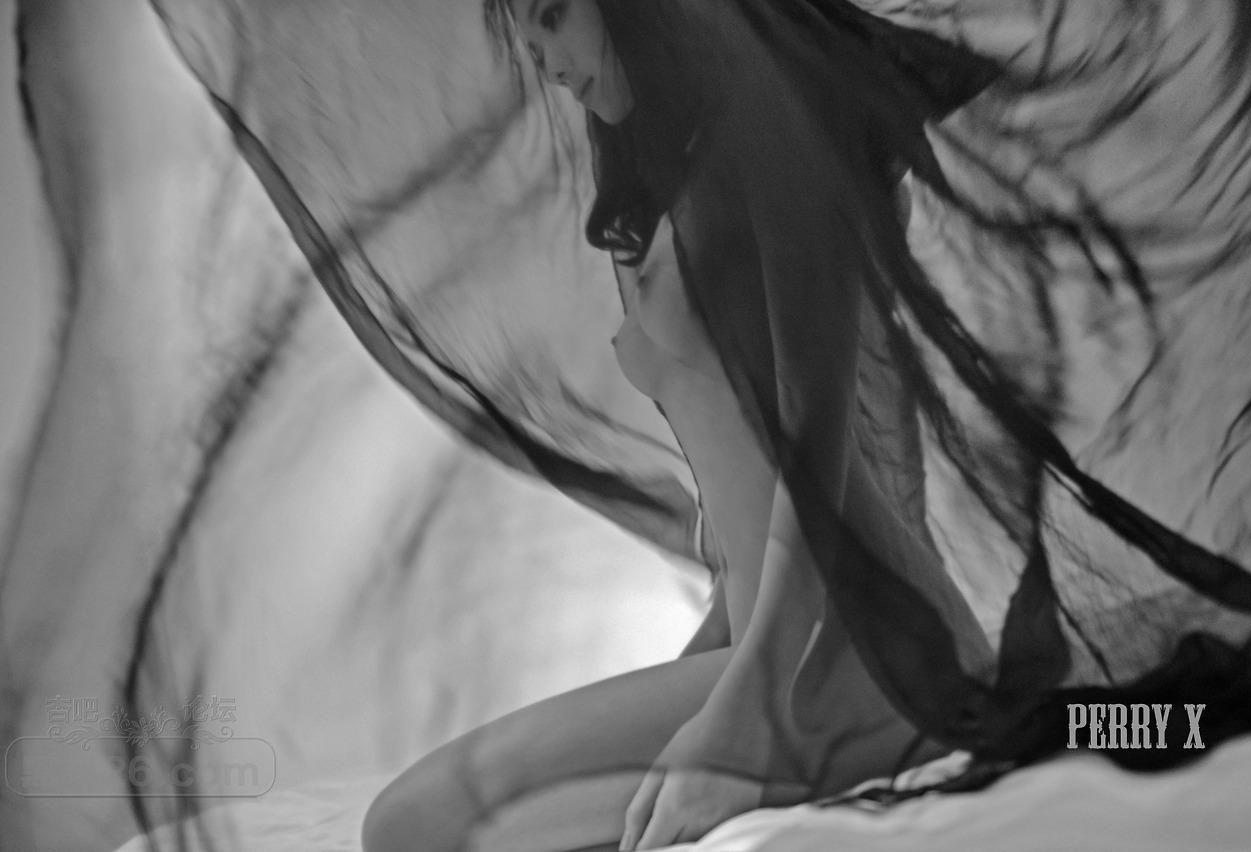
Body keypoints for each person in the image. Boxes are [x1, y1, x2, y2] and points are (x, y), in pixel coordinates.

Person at [360, 1, 1010, 850]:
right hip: (776, 646)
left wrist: (737, 720)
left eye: (553, 15)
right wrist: (695, 684)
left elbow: (814, 470)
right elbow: (740, 512)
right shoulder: (677, 180)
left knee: (418, 826)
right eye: (526, 38)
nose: (543, 59)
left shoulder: (768, 135)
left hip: (872, 654)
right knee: (425, 826)